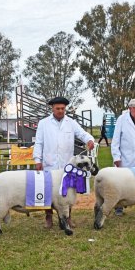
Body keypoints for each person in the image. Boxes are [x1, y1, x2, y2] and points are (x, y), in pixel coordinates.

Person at [33, 97, 95, 229]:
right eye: (58, 108)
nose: (61, 111)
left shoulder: (71, 122)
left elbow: (83, 134)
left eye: (63, 108)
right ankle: (49, 218)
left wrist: (89, 140)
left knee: (69, 192)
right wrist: (37, 160)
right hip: (49, 163)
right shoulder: (44, 123)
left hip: (67, 166)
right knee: (48, 191)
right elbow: (38, 143)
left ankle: (68, 218)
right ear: (52, 108)